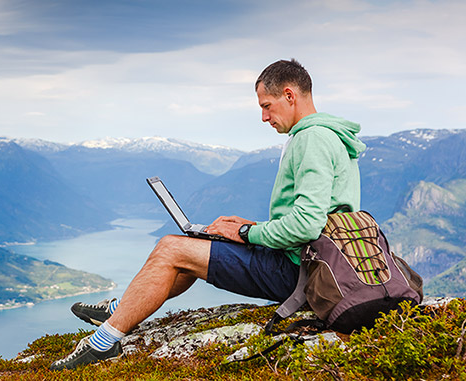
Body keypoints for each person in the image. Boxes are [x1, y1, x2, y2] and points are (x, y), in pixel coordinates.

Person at [49, 59, 367, 370]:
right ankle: (122, 309)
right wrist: (252, 226)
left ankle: (103, 343)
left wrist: (246, 234)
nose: (263, 116)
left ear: (289, 95)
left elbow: (307, 224)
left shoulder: (312, 138)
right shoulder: (327, 135)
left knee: (171, 249)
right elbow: (318, 217)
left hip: (300, 272)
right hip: (312, 263)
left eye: (267, 106)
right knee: (191, 243)